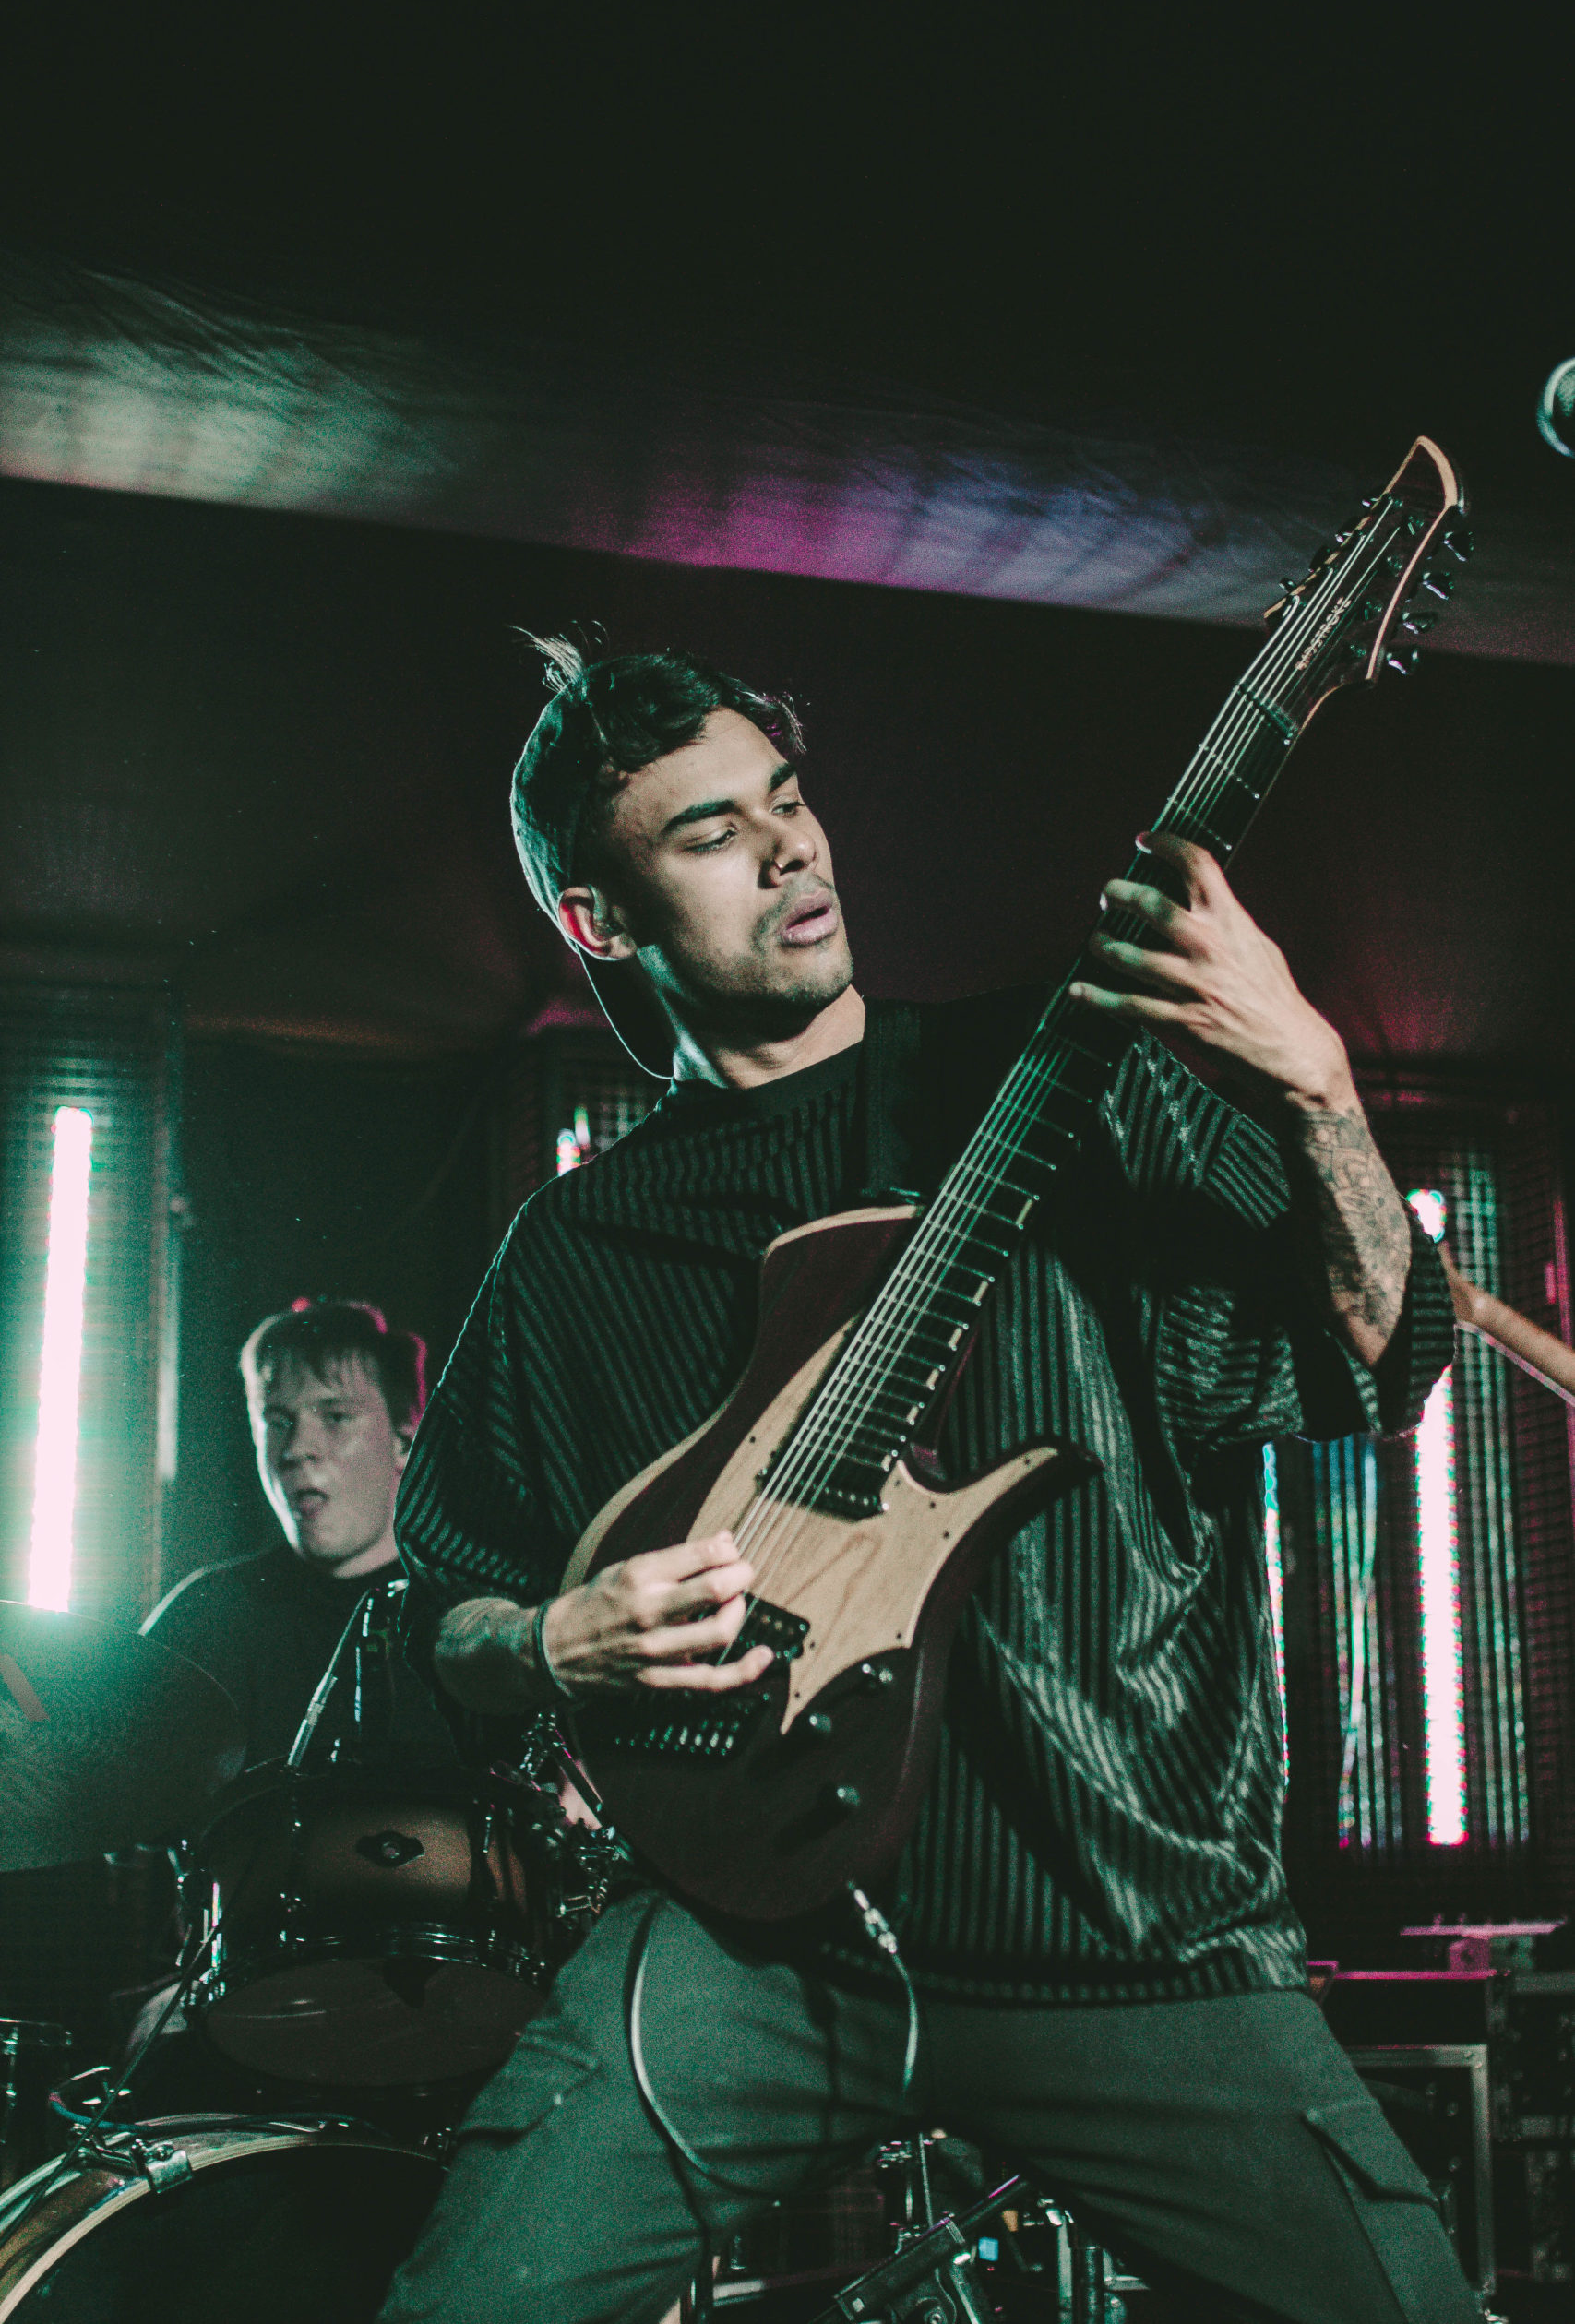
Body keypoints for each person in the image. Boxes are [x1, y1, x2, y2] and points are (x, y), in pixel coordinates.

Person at [380, 645, 1474, 2324]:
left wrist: (1314, 1078)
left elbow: (1382, 1365)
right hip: (754, 1947)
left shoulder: (1066, 1083)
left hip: (1130, 1931)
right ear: (599, 920)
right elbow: (440, 1610)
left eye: (787, 800)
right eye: (709, 834)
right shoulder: (573, 1251)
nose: (788, 849)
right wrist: (548, 1641)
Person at [146, 1297, 457, 1771]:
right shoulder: (205, 1616)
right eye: (278, 1422)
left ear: (405, 1441)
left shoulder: (475, 1615)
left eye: (335, 1416)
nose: (296, 1449)